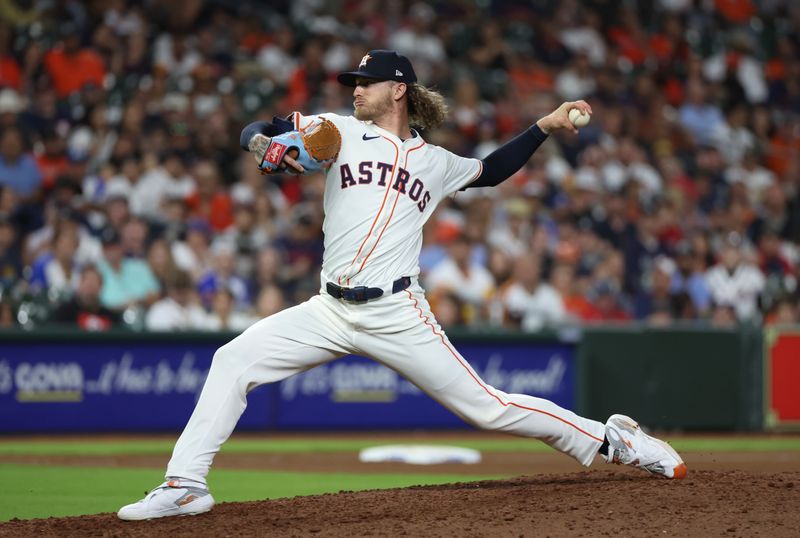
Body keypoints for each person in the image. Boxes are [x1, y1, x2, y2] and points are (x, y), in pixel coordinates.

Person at [118, 49, 686, 521]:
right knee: (232, 360)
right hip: (329, 309)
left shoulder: (434, 162)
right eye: (353, 83)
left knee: (488, 408)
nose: (355, 91)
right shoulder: (337, 131)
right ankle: (186, 484)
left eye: (365, 83)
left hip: (397, 311)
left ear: (398, 90)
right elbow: (261, 127)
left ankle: (617, 441)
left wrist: (543, 126)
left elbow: (490, 171)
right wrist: (262, 144)